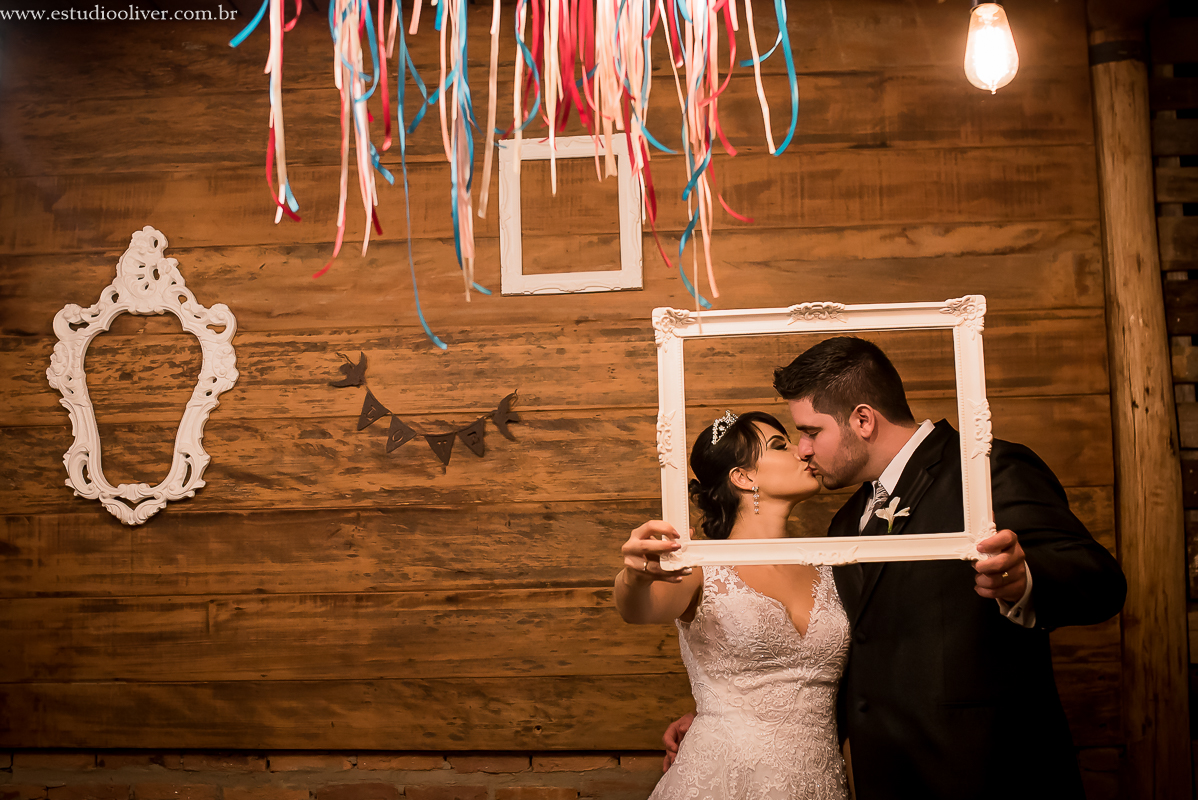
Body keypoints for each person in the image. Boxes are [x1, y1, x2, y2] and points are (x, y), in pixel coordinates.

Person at [656, 336, 1127, 800]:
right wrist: (732, 717)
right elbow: (853, 654)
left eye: (812, 432)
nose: (803, 449)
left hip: (989, 776)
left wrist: (1024, 581)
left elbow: (1100, 581)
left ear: (863, 420)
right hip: (886, 782)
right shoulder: (845, 524)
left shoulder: (984, 472)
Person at [616, 410, 851, 800]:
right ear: (743, 477)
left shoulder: (830, 567)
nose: (803, 451)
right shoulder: (701, 566)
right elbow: (639, 609)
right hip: (722, 780)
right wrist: (634, 577)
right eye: (780, 445)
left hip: (821, 780)